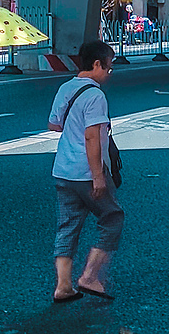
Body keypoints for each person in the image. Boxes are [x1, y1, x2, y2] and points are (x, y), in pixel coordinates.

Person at [50, 39, 123, 303]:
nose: (109, 73)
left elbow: (53, 124)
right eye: (109, 67)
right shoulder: (95, 96)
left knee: (67, 226)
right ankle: (90, 276)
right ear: (96, 64)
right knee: (112, 218)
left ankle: (63, 286)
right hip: (84, 172)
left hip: (62, 170)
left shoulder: (65, 88)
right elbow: (93, 137)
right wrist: (98, 176)